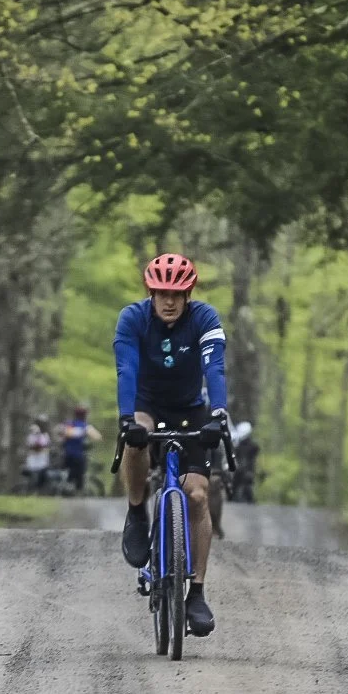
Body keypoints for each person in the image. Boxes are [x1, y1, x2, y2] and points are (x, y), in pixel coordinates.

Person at [115, 252, 229, 637]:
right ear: (150, 292)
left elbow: (215, 367)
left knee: (197, 495)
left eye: (177, 294)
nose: (168, 301)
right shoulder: (132, 318)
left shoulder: (204, 319)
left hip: (190, 410)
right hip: (147, 405)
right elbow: (126, 367)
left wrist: (219, 414)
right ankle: (136, 511)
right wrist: (127, 418)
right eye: (161, 292)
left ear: (188, 295)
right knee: (137, 439)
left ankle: (195, 592)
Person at [61, 405, 103, 493]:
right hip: (78, 455)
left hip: (67, 454)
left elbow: (65, 434)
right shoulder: (85, 426)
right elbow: (98, 437)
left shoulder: (70, 424)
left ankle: (67, 486)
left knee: (69, 472)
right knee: (80, 473)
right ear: (85, 416)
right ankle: (77, 491)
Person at [231, 420, 259, 503]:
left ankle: (248, 500)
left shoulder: (251, 447)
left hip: (245, 471)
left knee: (246, 487)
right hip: (241, 471)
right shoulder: (240, 445)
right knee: (238, 487)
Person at [23, 419, 52, 493]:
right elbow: (31, 445)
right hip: (33, 461)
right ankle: (31, 489)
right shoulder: (30, 437)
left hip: (42, 460)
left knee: (42, 475)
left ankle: (41, 490)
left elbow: (44, 445)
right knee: (32, 475)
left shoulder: (45, 436)